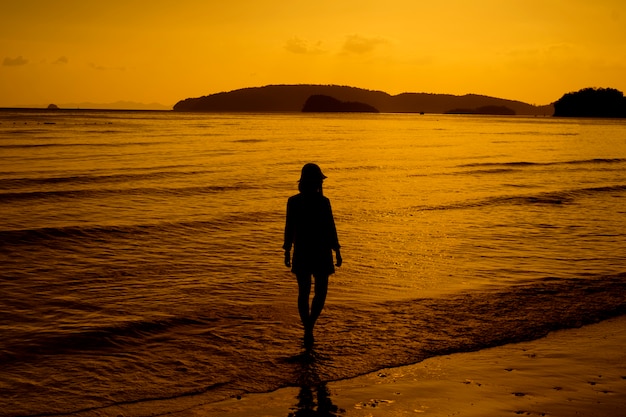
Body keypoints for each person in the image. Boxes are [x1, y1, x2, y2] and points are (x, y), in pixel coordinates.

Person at [283, 163, 342, 347]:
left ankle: (308, 327)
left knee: (308, 292)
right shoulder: (320, 202)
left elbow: (289, 228)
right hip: (318, 251)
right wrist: (336, 250)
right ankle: (309, 327)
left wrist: (287, 250)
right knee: (316, 292)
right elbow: (291, 228)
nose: (319, 183)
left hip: (306, 251)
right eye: (318, 180)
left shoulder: (297, 201)